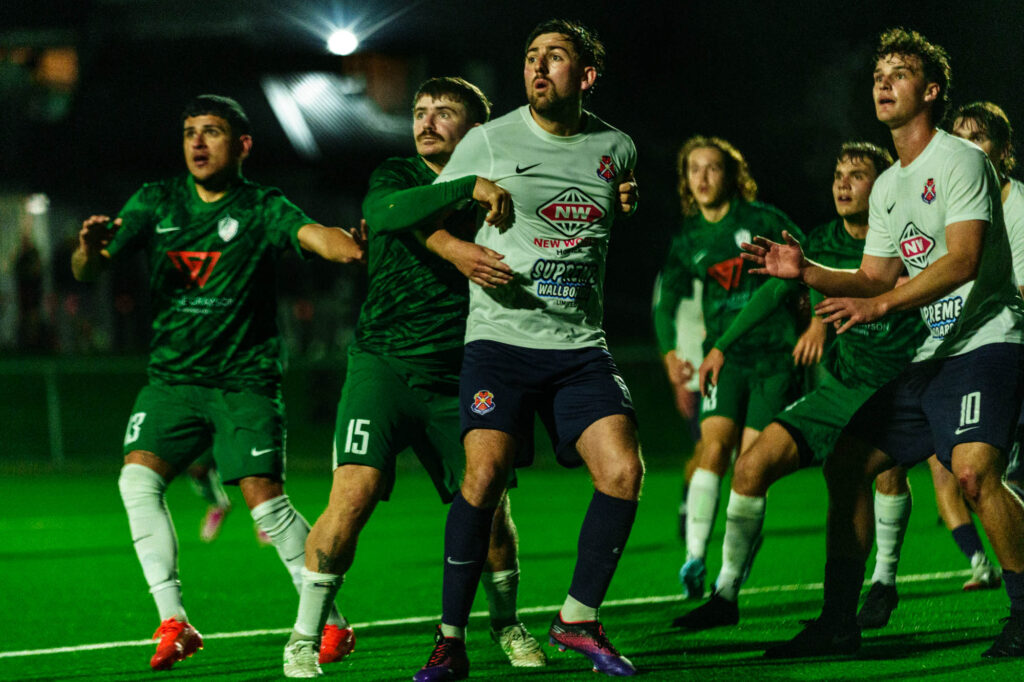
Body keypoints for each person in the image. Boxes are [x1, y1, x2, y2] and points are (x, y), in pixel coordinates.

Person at [744, 28, 1024, 659]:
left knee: (976, 475)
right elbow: (874, 274)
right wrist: (807, 271)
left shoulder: (960, 160)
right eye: (879, 72)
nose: (883, 80)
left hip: (986, 343)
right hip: (931, 356)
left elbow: (964, 259)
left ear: (930, 92)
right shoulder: (892, 184)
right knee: (847, 466)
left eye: (899, 72)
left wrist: (880, 305)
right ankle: (839, 621)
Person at [71, 94, 365, 671]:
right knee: (137, 482)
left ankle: (332, 624)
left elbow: (315, 235)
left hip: (243, 381)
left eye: (211, 132)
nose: (198, 143)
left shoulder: (260, 206)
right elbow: (92, 267)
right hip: (173, 380)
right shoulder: (157, 201)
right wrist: (87, 249)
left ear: (243, 145)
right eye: (189, 133)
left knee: (266, 509)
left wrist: (350, 248)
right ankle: (175, 622)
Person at [281, 77, 547, 678]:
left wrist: (619, 189)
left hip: (464, 370)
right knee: (352, 494)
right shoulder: (397, 175)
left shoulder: (509, 183)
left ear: (476, 128)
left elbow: (563, 219)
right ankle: (303, 635)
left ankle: (507, 624)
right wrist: (459, 218)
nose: (426, 122)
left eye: (444, 113)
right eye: (420, 111)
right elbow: (383, 213)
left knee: (491, 506)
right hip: (383, 363)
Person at [412, 19, 641, 680]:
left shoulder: (617, 147)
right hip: (500, 342)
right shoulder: (488, 139)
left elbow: (612, 204)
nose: (539, 68)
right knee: (481, 479)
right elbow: (421, 218)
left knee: (623, 471)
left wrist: (625, 202)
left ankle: (577, 619)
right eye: (531, 57)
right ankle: (450, 640)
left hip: (579, 346)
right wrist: (461, 248)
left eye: (556, 58)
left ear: (586, 76)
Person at [671, 141, 926, 631]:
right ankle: (725, 593)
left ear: (885, 184)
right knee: (750, 467)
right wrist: (722, 345)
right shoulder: (822, 240)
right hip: (842, 385)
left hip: (898, 384)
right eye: (837, 174)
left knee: (886, 474)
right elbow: (777, 289)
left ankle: (883, 582)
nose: (843, 183)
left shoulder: (905, 240)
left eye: (856, 174)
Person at [857, 100, 1024, 629]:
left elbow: (974, 271)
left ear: (1004, 152)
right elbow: (887, 274)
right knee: (867, 462)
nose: (971, 148)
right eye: (962, 136)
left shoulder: (1017, 207)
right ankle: (858, 601)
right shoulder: (934, 193)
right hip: (943, 355)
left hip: (997, 348)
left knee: (982, 474)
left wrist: (893, 298)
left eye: (982, 139)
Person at [653, 135, 809, 600]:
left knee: (750, 467)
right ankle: (695, 558)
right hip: (726, 358)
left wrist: (814, 323)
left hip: (775, 359)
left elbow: (809, 264)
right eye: (693, 169)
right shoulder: (688, 239)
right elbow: (666, 303)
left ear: (732, 174)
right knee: (712, 447)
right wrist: (668, 353)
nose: (702, 178)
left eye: (712, 168)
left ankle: (731, 578)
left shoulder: (762, 220)